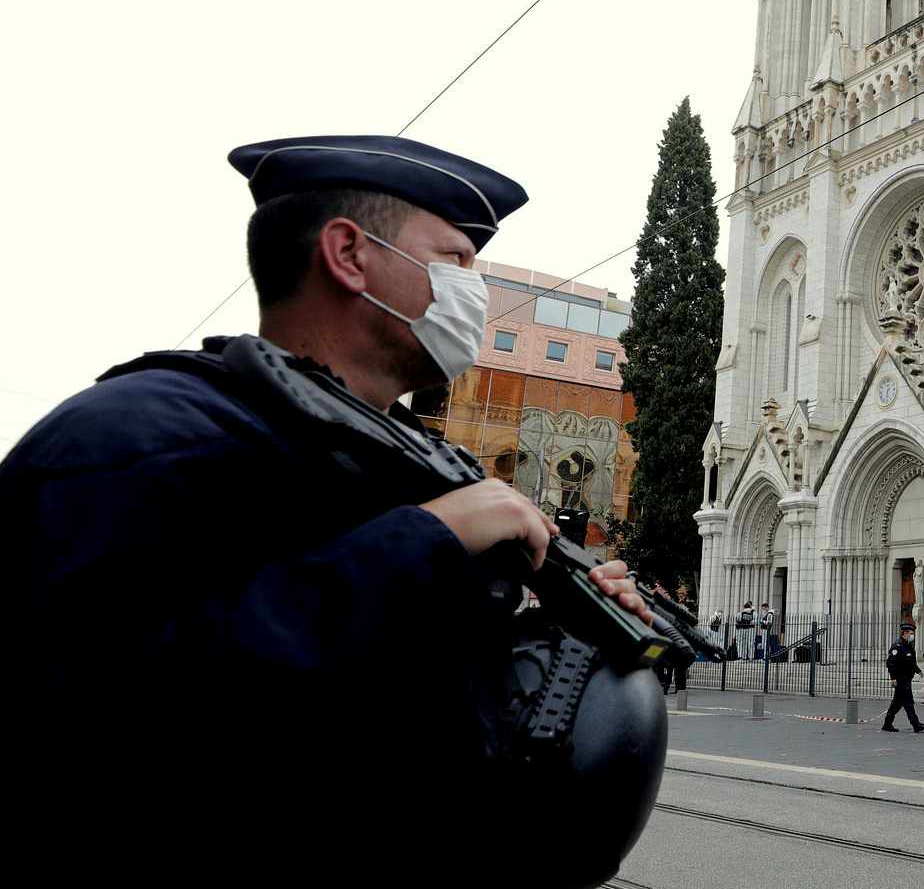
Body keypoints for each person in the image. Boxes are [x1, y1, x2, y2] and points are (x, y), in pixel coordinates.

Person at [3, 135, 657, 885]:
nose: (474, 293)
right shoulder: (134, 436)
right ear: (349, 254)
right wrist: (427, 541)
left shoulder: (425, 468)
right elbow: (107, 713)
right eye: (455, 261)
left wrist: (575, 635)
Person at [881, 621, 924, 732]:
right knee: (908, 702)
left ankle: (887, 724)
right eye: (911, 633)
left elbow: (910, 662)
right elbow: (890, 663)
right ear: (905, 633)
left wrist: (918, 670)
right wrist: (893, 678)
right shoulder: (898, 645)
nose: (912, 636)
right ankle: (915, 724)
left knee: (897, 703)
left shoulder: (907, 645)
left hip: (906, 678)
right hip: (901, 679)